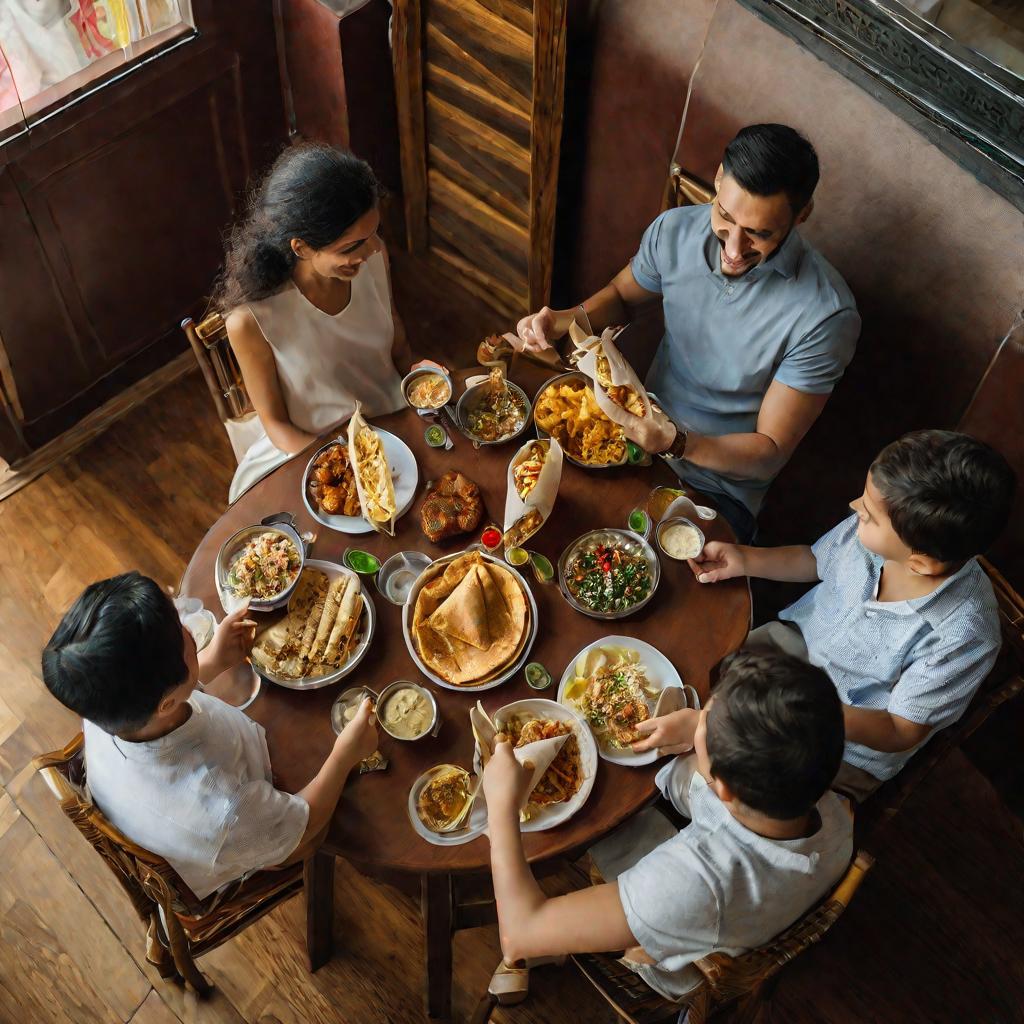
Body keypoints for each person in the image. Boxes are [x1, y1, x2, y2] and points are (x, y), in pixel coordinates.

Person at [512, 124, 860, 541]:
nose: (733, 249)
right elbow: (622, 298)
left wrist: (675, 442)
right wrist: (562, 319)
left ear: (801, 214)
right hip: (629, 442)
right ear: (717, 180)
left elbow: (768, 453)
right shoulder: (674, 230)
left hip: (716, 488)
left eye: (759, 233)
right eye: (725, 217)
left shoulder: (826, 315)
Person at [481, 650, 852, 1003]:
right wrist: (697, 731)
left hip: (677, 951)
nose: (701, 719)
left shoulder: (682, 885)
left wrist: (500, 805)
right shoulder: (826, 796)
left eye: (705, 717)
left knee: (602, 826)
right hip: (760, 900)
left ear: (721, 787)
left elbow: (519, 933)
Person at [689, 429, 1016, 801]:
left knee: (712, 777)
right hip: (791, 650)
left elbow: (900, 729)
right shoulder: (877, 529)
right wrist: (744, 559)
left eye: (869, 514)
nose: (854, 507)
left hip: (842, 740)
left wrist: (802, 706)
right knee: (686, 677)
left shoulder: (964, 634)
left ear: (920, 563)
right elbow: (815, 560)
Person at [41, 572, 378, 901]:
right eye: (182, 635)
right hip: (247, 838)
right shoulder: (224, 809)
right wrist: (345, 756)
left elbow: (157, 709)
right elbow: (303, 830)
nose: (189, 629)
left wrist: (210, 660)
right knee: (320, 831)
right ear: (167, 702)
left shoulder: (101, 696)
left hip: (179, 803)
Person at [214, 143, 442, 502]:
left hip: (393, 423)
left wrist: (419, 377)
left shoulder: (372, 256)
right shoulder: (252, 321)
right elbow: (275, 424)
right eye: (351, 247)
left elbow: (396, 343)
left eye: (372, 235)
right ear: (301, 248)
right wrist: (345, 461)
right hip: (316, 450)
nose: (370, 252)